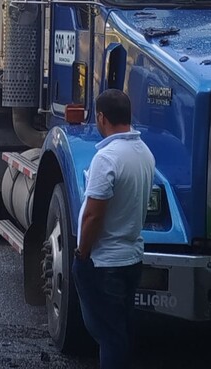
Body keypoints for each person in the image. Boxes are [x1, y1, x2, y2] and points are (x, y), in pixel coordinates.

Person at [72, 88, 155, 369]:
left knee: (108, 336)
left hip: (103, 262)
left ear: (101, 117)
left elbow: (93, 215)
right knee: (120, 332)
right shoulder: (144, 153)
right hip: (132, 258)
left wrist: (82, 254)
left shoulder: (106, 158)